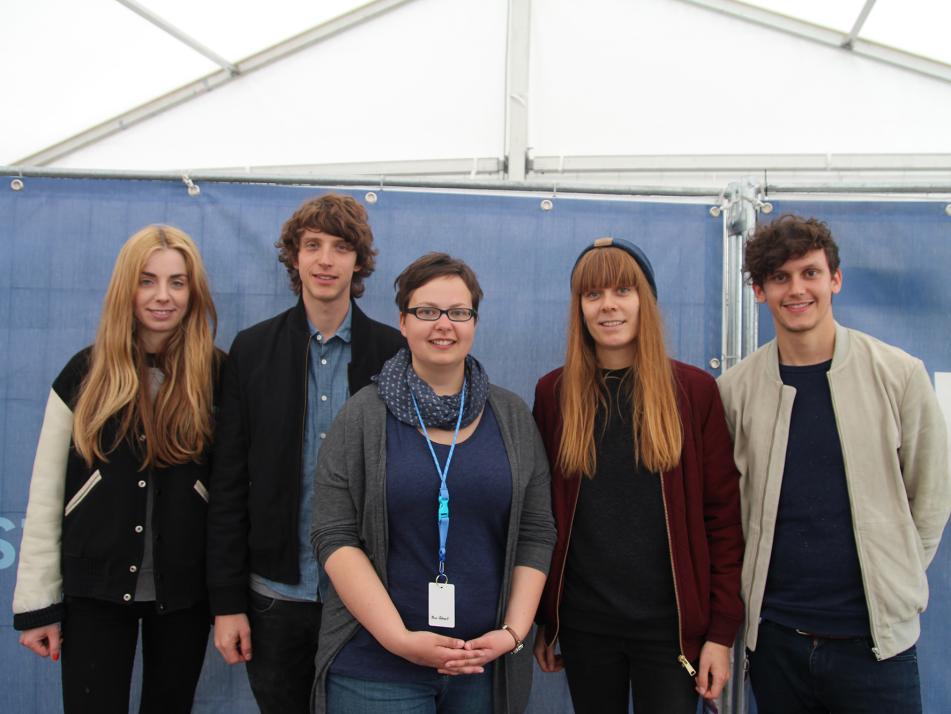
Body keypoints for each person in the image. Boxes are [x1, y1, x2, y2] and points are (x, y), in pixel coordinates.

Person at [717, 214, 951, 714]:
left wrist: (895, 577)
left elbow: (930, 500)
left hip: (875, 646)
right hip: (776, 641)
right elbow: (727, 511)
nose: (796, 289)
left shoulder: (899, 375)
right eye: (780, 277)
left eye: (809, 273)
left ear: (835, 280)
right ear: (759, 291)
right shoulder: (733, 393)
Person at [311, 252, 556, 714]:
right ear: (403, 322)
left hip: (483, 670)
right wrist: (399, 639)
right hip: (375, 669)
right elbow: (334, 535)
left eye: (458, 312)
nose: (444, 324)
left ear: (474, 323)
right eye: (427, 311)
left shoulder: (512, 417)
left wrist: (512, 634)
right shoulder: (361, 417)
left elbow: (536, 531)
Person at [206, 193, 404, 713]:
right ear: (294, 256)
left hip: (369, 599)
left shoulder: (394, 356)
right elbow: (227, 485)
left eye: (341, 247)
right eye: (312, 245)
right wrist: (227, 604)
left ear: (359, 261)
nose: (325, 260)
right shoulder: (251, 350)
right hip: (275, 595)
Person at [12, 225, 221, 713]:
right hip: (93, 592)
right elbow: (45, 497)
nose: (162, 297)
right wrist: (36, 607)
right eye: (147, 280)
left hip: (185, 597)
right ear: (125, 287)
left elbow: (233, 497)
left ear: (194, 292)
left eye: (177, 282)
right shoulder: (81, 376)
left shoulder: (219, 376)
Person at [532, 237, 744, 713]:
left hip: (671, 631)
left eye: (622, 291)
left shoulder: (693, 392)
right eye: (593, 294)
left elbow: (724, 521)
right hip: (585, 626)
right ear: (580, 308)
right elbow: (542, 516)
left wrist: (721, 634)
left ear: (645, 300)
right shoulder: (554, 394)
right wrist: (548, 619)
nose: (608, 305)